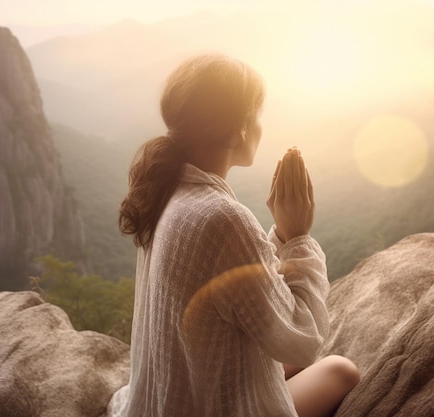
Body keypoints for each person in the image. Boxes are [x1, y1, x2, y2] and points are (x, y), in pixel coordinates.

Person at [109, 54, 360, 417]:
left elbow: (244, 289)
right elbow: (302, 340)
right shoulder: (223, 218)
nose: (262, 124)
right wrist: (296, 238)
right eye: (258, 113)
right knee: (341, 369)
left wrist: (281, 237)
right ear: (241, 126)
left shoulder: (166, 188)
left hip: (176, 392)